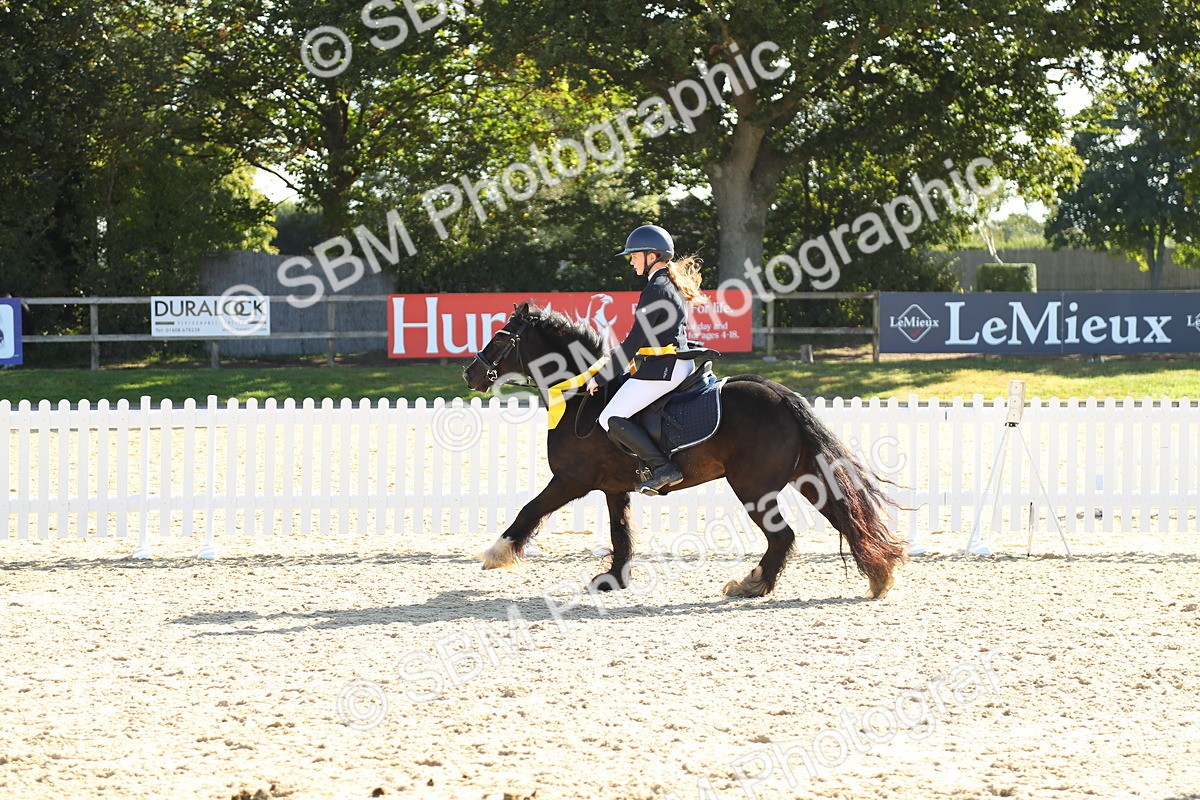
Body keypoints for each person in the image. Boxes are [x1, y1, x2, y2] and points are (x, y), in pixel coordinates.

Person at [586, 224, 712, 495]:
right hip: (674, 363)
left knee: (610, 416)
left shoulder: (656, 288)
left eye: (634, 255)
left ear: (651, 256)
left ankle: (663, 467)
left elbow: (633, 342)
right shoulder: (669, 283)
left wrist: (601, 376)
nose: (631, 261)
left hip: (664, 370)